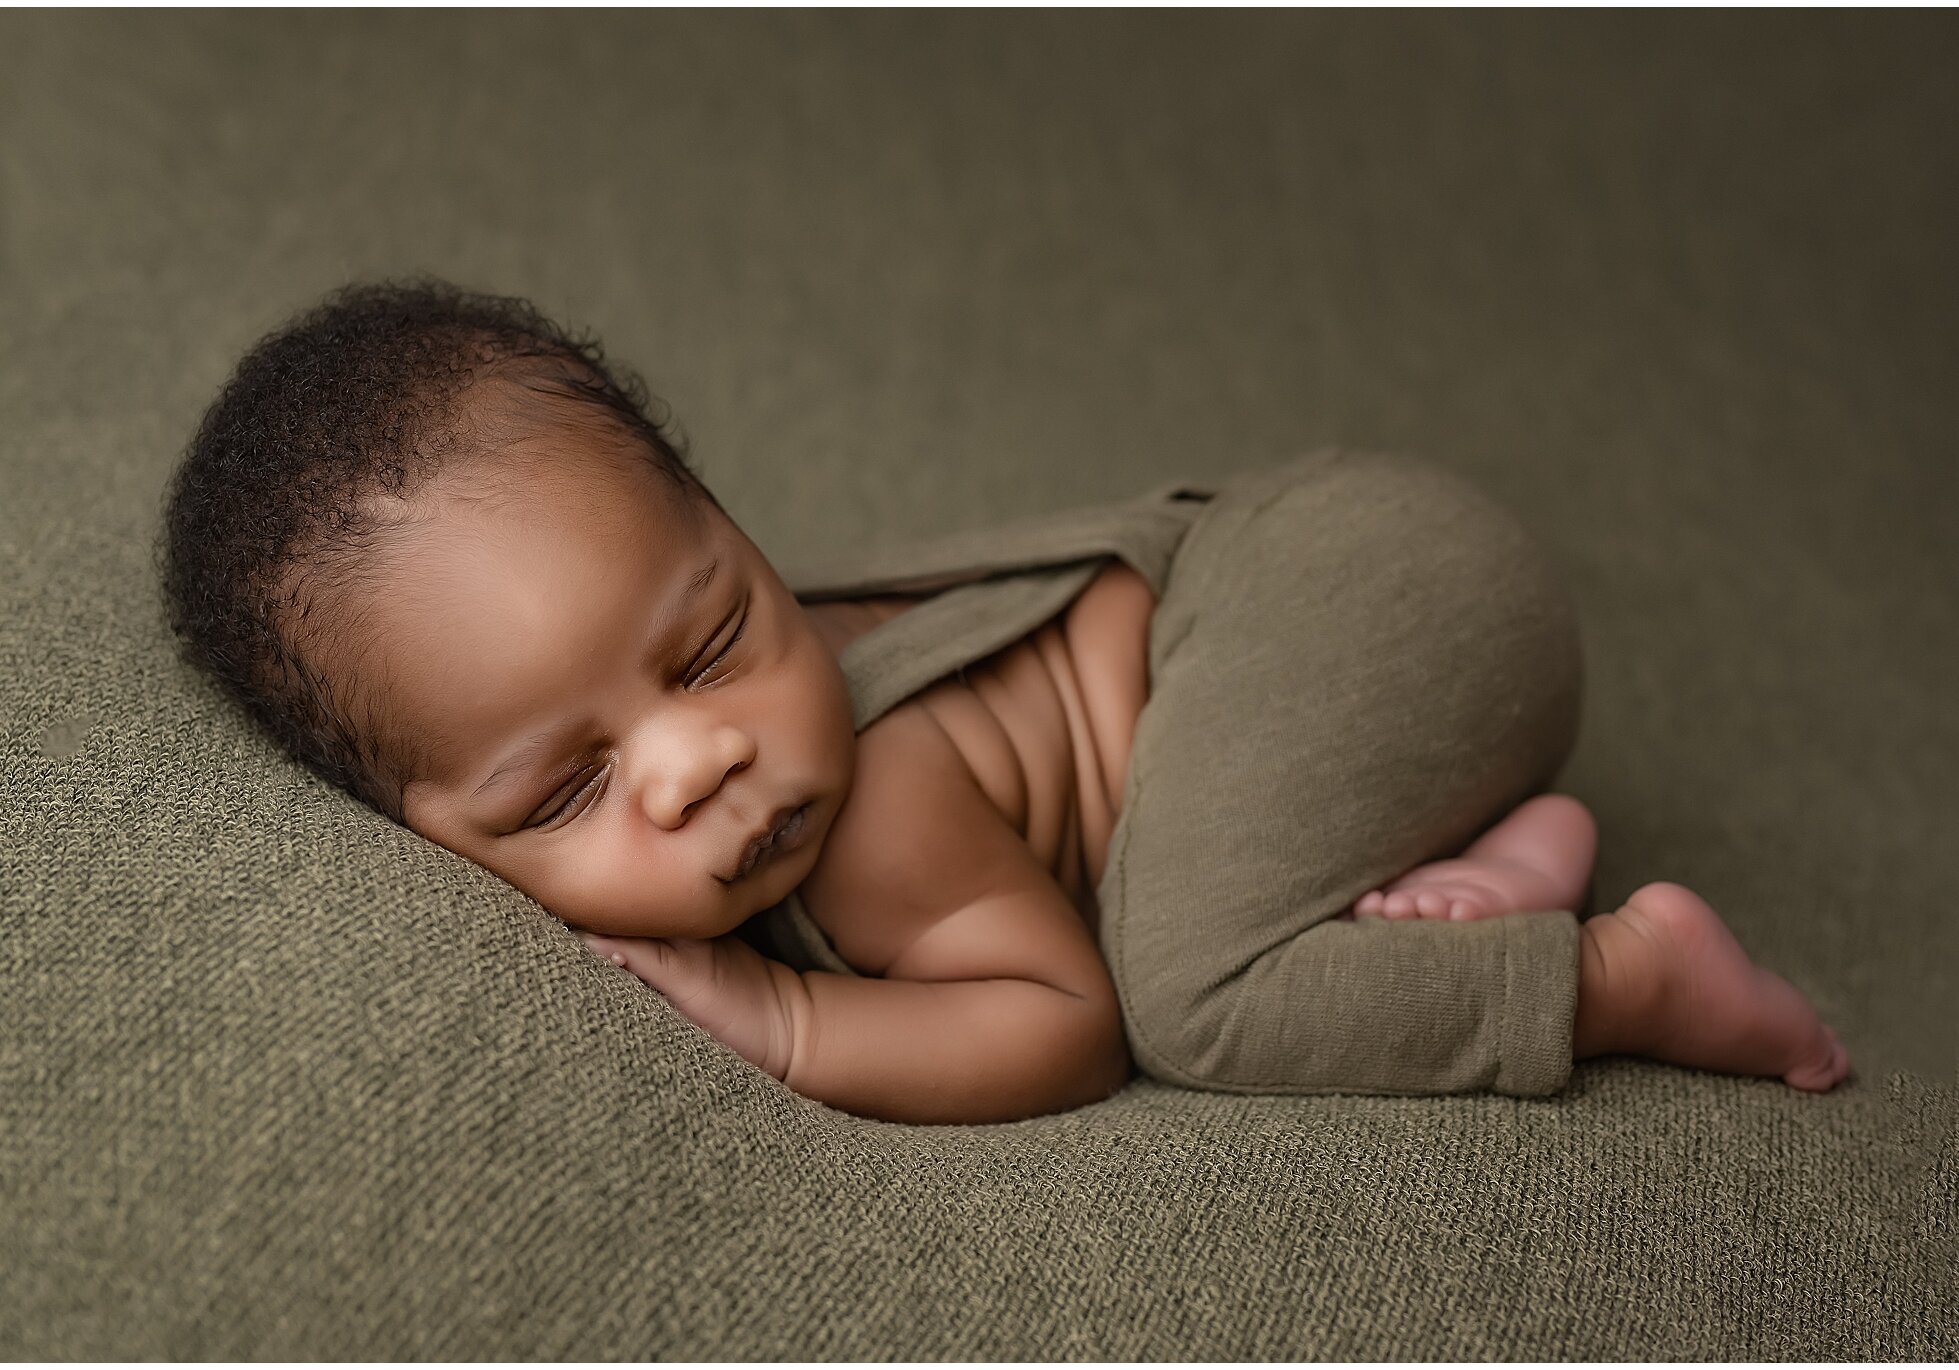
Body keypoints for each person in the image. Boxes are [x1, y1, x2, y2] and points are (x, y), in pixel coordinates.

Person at [159, 278, 1851, 1125]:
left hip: (1370, 596)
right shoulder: (732, 717)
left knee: (1197, 1001)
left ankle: (1626, 970)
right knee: (1219, 846)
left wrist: (797, 1024)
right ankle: (1478, 846)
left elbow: (1062, 1018)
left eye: (713, 641)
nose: (703, 761)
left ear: (737, 531)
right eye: (560, 793)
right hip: (1366, 646)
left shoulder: (871, 809)